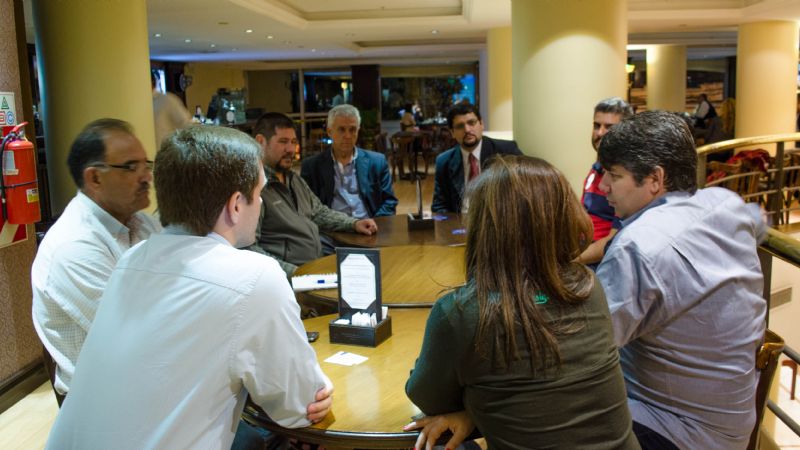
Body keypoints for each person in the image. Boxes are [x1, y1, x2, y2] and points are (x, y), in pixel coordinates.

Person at [45, 126, 333, 449]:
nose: (262, 205)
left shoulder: (132, 259)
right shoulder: (255, 276)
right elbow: (301, 407)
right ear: (236, 205)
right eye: (261, 193)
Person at [405, 156, 639, 450]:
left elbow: (428, 397)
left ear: (484, 228)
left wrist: (473, 408)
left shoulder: (462, 313)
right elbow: (556, 393)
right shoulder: (589, 288)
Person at [596, 110, 766, 450]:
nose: (603, 187)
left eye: (614, 176)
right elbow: (758, 218)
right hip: (730, 425)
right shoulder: (724, 203)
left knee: (544, 414)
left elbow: (591, 346)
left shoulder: (638, 246)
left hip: (674, 429)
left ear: (655, 180)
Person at [31, 118, 160, 396]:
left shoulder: (142, 223)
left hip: (146, 377)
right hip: (104, 400)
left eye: (145, 165)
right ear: (94, 178)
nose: (146, 176)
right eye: (130, 167)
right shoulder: (74, 247)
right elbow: (137, 335)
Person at [250, 112, 377, 276]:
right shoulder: (253, 187)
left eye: (293, 142)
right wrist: (297, 274)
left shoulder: (294, 179)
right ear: (261, 142)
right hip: (290, 282)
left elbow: (318, 212)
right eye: (283, 142)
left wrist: (353, 224)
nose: (291, 149)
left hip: (316, 268)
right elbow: (251, 249)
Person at [301, 104, 398, 218]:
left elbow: (389, 202)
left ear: (358, 131)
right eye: (341, 130)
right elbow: (308, 208)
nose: (347, 136)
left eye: (352, 130)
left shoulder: (377, 162)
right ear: (329, 131)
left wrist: (375, 224)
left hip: (371, 227)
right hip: (332, 230)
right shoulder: (312, 166)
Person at [432, 103, 521, 213]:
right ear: (452, 132)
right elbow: (439, 205)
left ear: (481, 124)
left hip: (497, 222)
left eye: (471, 123)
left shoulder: (506, 151)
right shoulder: (444, 161)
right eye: (460, 126)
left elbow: (524, 191)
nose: (467, 129)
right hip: (459, 223)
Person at [576, 97, 633, 268]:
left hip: (600, 264)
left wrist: (570, 262)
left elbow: (614, 241)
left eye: (609, 127)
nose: (600, 133)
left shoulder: (625, 176)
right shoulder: (597, 167)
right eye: (596, 125)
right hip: (581, 249)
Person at [151, 71, 191, 148]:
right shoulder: (139, 104)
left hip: (166, 153)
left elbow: (187, 125)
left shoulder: (167, 100)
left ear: (152, 81)